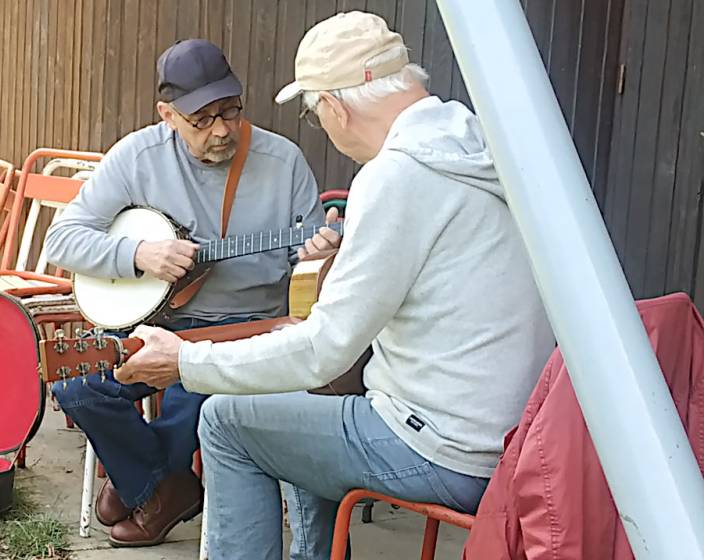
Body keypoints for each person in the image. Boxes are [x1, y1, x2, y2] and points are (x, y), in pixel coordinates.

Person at [115, 11, 556, 560]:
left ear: (334, 106)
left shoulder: (396, 175)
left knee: (228, 420)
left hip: (444, 449)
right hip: (524, 439)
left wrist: (186, 362)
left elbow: (324, 350)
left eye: (315, 114)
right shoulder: (474, 145)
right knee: (295, 413)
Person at [44, 38, 329, 548]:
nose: (221, 129)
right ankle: (163, 486)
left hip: (244, 329)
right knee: (75, 380)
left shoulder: (283, 162)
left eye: (230, 112)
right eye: (202, 118)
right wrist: (138, 254)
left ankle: (139, 484)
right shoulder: (138, 155)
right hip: (155, 323)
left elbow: (305, 266)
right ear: (167, 114)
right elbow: (63, 237)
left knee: (189, 397)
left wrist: (315, 258)